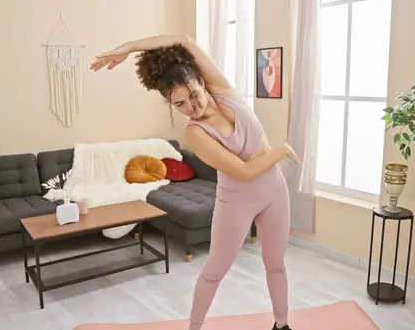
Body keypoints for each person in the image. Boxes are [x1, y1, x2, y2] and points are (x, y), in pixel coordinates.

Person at [90, 34, 299, 330]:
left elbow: (183, 39)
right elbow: (243, 172)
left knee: (276, 264)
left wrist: (128, 47)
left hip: (275, 192)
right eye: (179, 104)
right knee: (215, 270)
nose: (191, 106)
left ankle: (282, 324)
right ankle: (194, 327)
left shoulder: (223, 89)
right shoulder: (195, 132)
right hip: (236, 201)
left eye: (192, 95)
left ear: (201, 81)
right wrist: (282, 150)